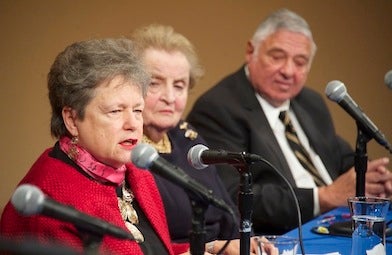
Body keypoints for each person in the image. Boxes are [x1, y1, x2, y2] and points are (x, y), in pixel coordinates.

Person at [187, 9, 392, 235]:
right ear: (250, 51)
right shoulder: (218, 108)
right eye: (277, 57)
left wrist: (373, 178)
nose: (288, 71)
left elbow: (340, 157)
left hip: (340, 221)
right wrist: (323, 197)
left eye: (300, 62)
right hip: (286, 233)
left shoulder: (310, 101)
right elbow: (231, 195)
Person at [0, 38, 191, 255]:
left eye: (137, 110)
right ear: (72, 120)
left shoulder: (135, 171)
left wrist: (206, 248)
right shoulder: (49, 200)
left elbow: (150, 248)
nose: (133, 124)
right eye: (115, 111)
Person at [130, 24, 269, 255]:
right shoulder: (127, 151)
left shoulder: (187, 136)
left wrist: (249, 245)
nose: (170, 97)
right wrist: (216, 248)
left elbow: (229, 215)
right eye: (154, 83)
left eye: (179, 85)